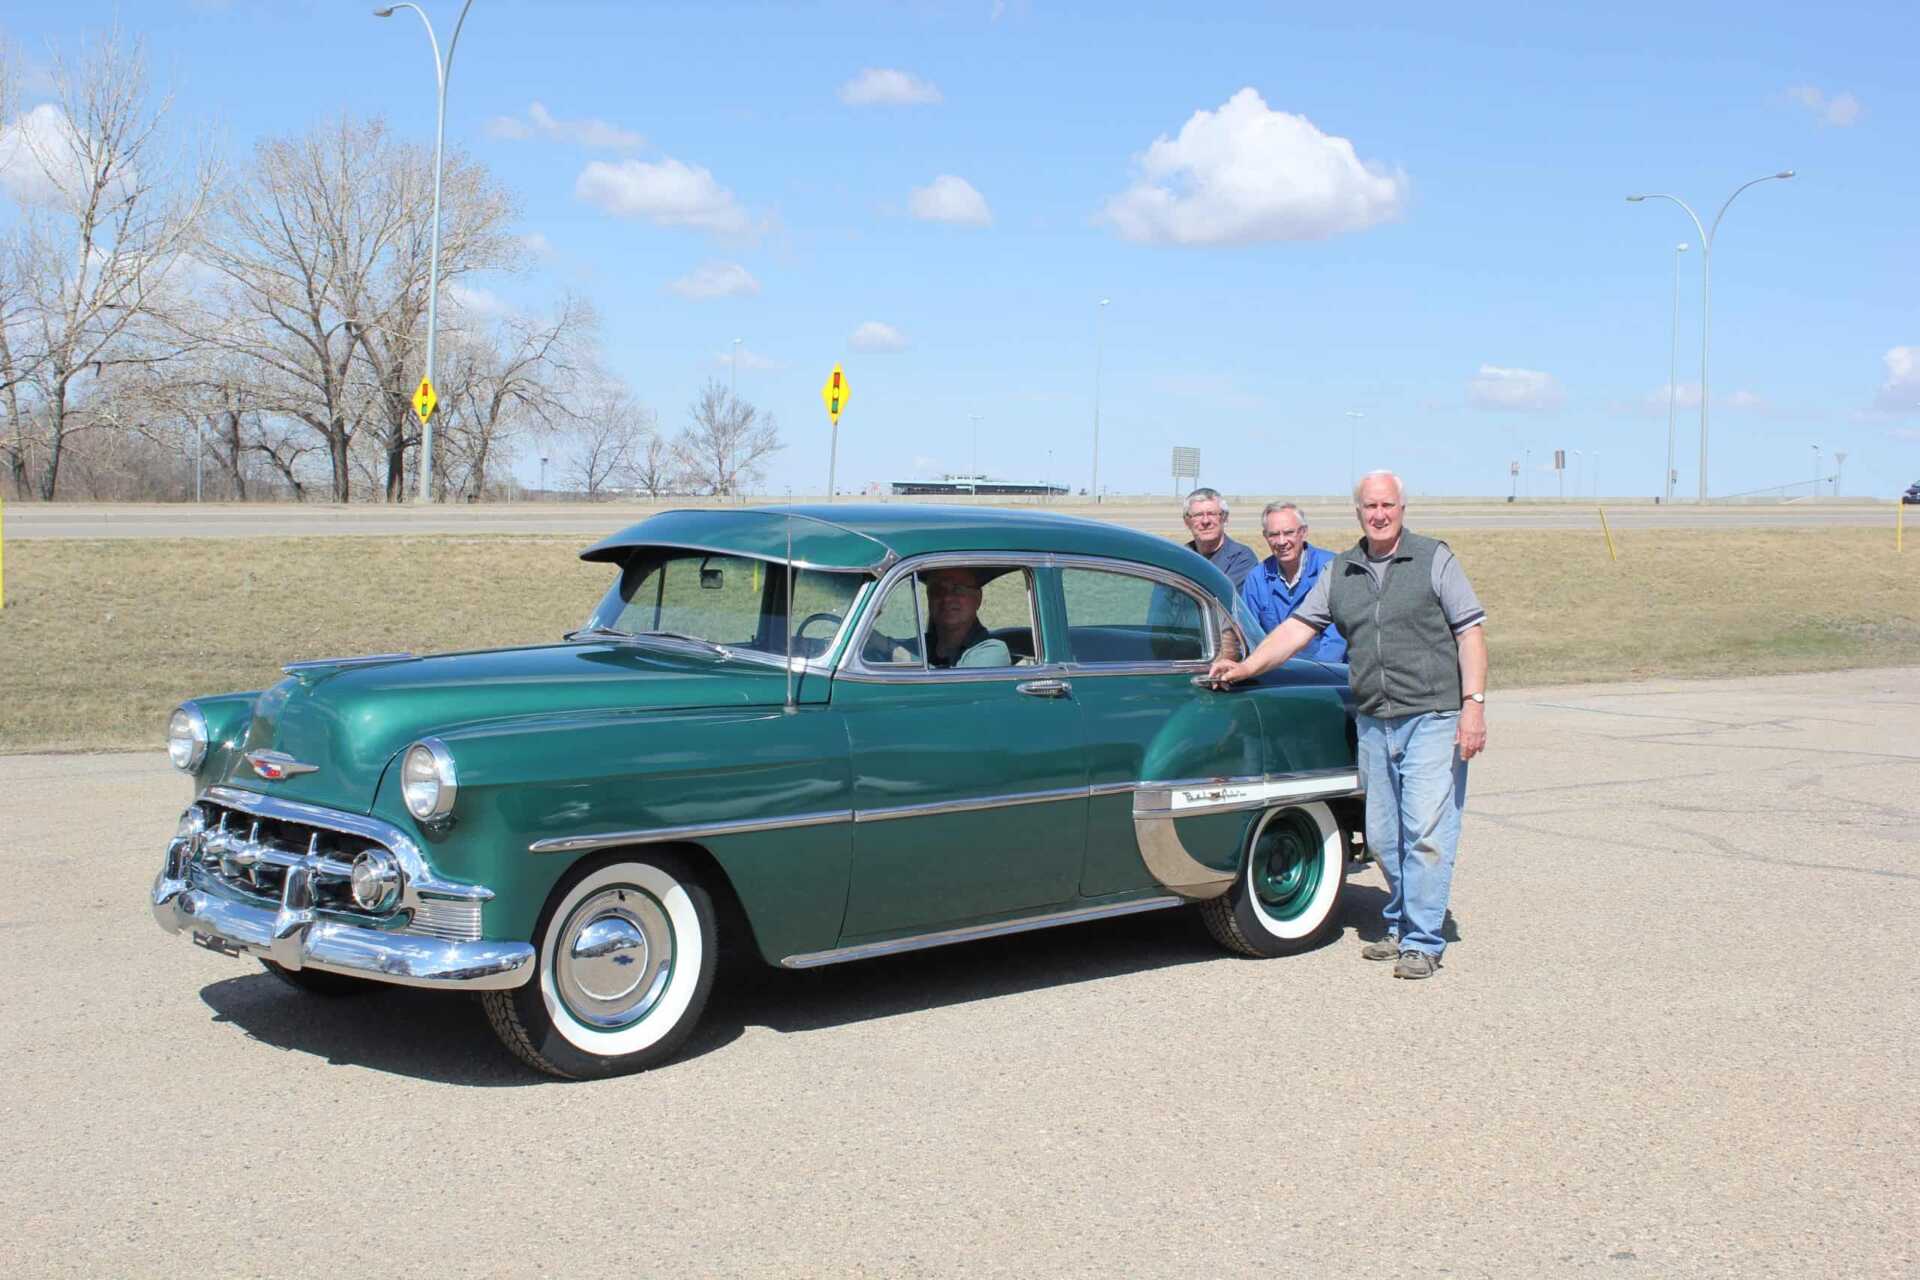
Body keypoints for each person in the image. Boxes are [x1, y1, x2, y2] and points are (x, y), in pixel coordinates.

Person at [1207, 471, 1487, 981]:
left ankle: (1423, 940)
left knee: (1425, 832)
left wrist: (1474, 705)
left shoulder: (1434, 558)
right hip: (1375, 719)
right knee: (1382, 835)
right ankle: (1403, 923)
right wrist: (1248, 668)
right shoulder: (1343, 571)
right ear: (1358, 512)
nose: (1379, 514)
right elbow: (1297, 628)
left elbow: (1470, 633)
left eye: (1388, 505)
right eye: (1369, 506)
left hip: (1432, 714)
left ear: (1402, 507)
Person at [1242, 502, 1347, 663]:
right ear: (1265, 537)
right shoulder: (1256, 578)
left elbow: (1337, 637)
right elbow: (1249, 635)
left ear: (1303, 533)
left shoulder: (1331, 568)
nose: (1282, 541)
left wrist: (1313, 674)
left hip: (1327, 674)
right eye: (1274, 535)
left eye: (1289, 532)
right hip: (1274, 673)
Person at [1180, 488, 1259, 590]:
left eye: (1211, 514)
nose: (1205, 521)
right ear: (1187, 522)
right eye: (1198, 515)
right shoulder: (1181, 557)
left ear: (1224, 517)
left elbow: (1220, 597)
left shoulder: (1242, 559)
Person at [921, 567, 996, 668]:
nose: (947, 598)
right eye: (937, 590)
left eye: (958, 589)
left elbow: (957, 683)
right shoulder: (920, 645)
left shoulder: (992, 650)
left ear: (978, 598)